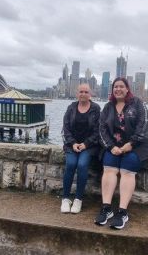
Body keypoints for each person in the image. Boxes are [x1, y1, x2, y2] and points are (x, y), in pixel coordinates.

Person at [94, 77, 148, 229]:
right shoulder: (108, 107)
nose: (118, 89)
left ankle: (122, 212)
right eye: (115, 87)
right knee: (109, 168)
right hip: (114, 146)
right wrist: (110, 146)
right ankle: (106, 208)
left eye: (121, 86)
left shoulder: (138, 104)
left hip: (137, 146)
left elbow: (144, 126)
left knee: (127, 169)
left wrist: (131, 144)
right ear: (112, 90)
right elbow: (101, 130)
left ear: (127, 89)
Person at [61, 84, 101, 214]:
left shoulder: (95, 109)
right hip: (72, 145)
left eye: (86, 92)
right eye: (81, 91)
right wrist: (72, 143)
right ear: (77, 93)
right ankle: (65, 199)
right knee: (71, 164)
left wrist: (86, 144)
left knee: (82, 165)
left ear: (90, 94)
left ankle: (78, 199)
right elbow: (66, 128)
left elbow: (98, 130)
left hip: (89, 146)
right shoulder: (71, 107)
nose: (83, 94)